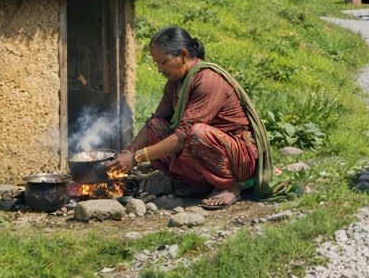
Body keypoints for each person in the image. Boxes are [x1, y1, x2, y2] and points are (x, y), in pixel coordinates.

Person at [108, 26, 274, 209]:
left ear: (184, 55)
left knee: (197, 133)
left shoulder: (208, 80)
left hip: (239, 159)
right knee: (156, 126)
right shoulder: (175, 83)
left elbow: (183, 136)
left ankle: (228, 186)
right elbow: (155, 120)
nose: (159, 69)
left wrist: (137, 158)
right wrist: (129, 150)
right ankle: (195, 183)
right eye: (157, 63)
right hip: (204, 151)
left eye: (164, 62)